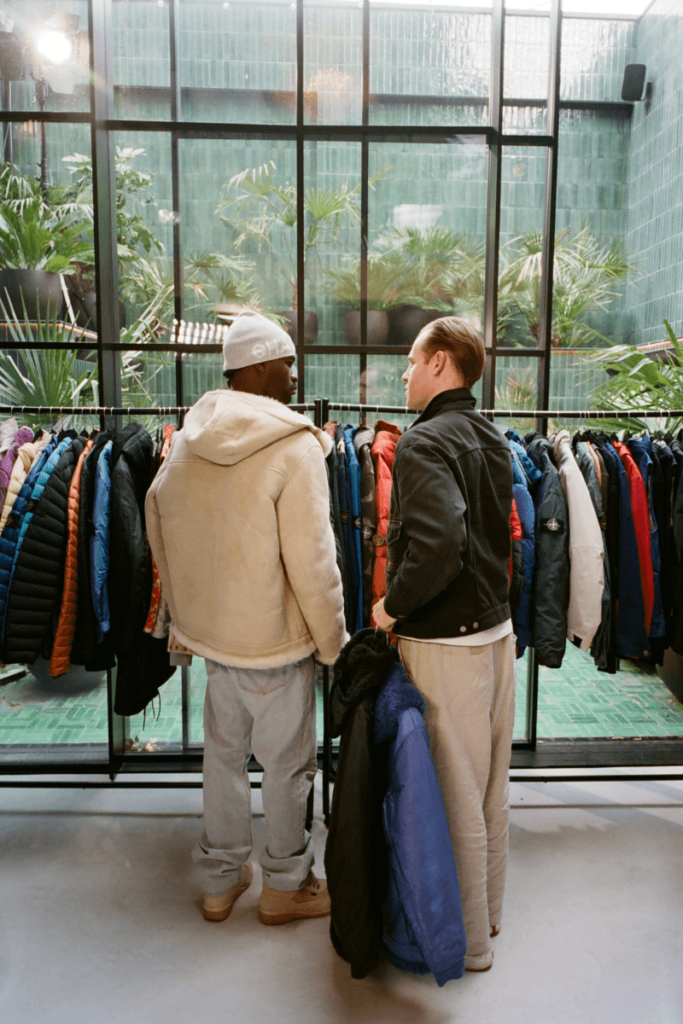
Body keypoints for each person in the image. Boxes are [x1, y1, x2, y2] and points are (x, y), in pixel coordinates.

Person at [146, 310, 347, 926]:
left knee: (222, 761)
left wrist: (185, 618)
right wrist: (333, 642)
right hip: (276, 645)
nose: (295, 377)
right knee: (288, 769)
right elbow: (314, 562)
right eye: (287, 364)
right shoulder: (294, 445)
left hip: (216, 643)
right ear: (258, 368)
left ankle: (220, 879)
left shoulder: (189, 438)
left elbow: (158, 518)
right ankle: (286, 885)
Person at [372, 316, 515, 973]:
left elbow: (439, 543)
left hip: (446, 644)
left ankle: (469, 944)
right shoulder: (490, 434)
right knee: (489, 788)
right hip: (495, 634)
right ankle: (488, 912)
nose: (403, 373)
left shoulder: (423, 442)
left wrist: (390, 606)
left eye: (410, 360)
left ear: (438, 363)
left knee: (453, 792)